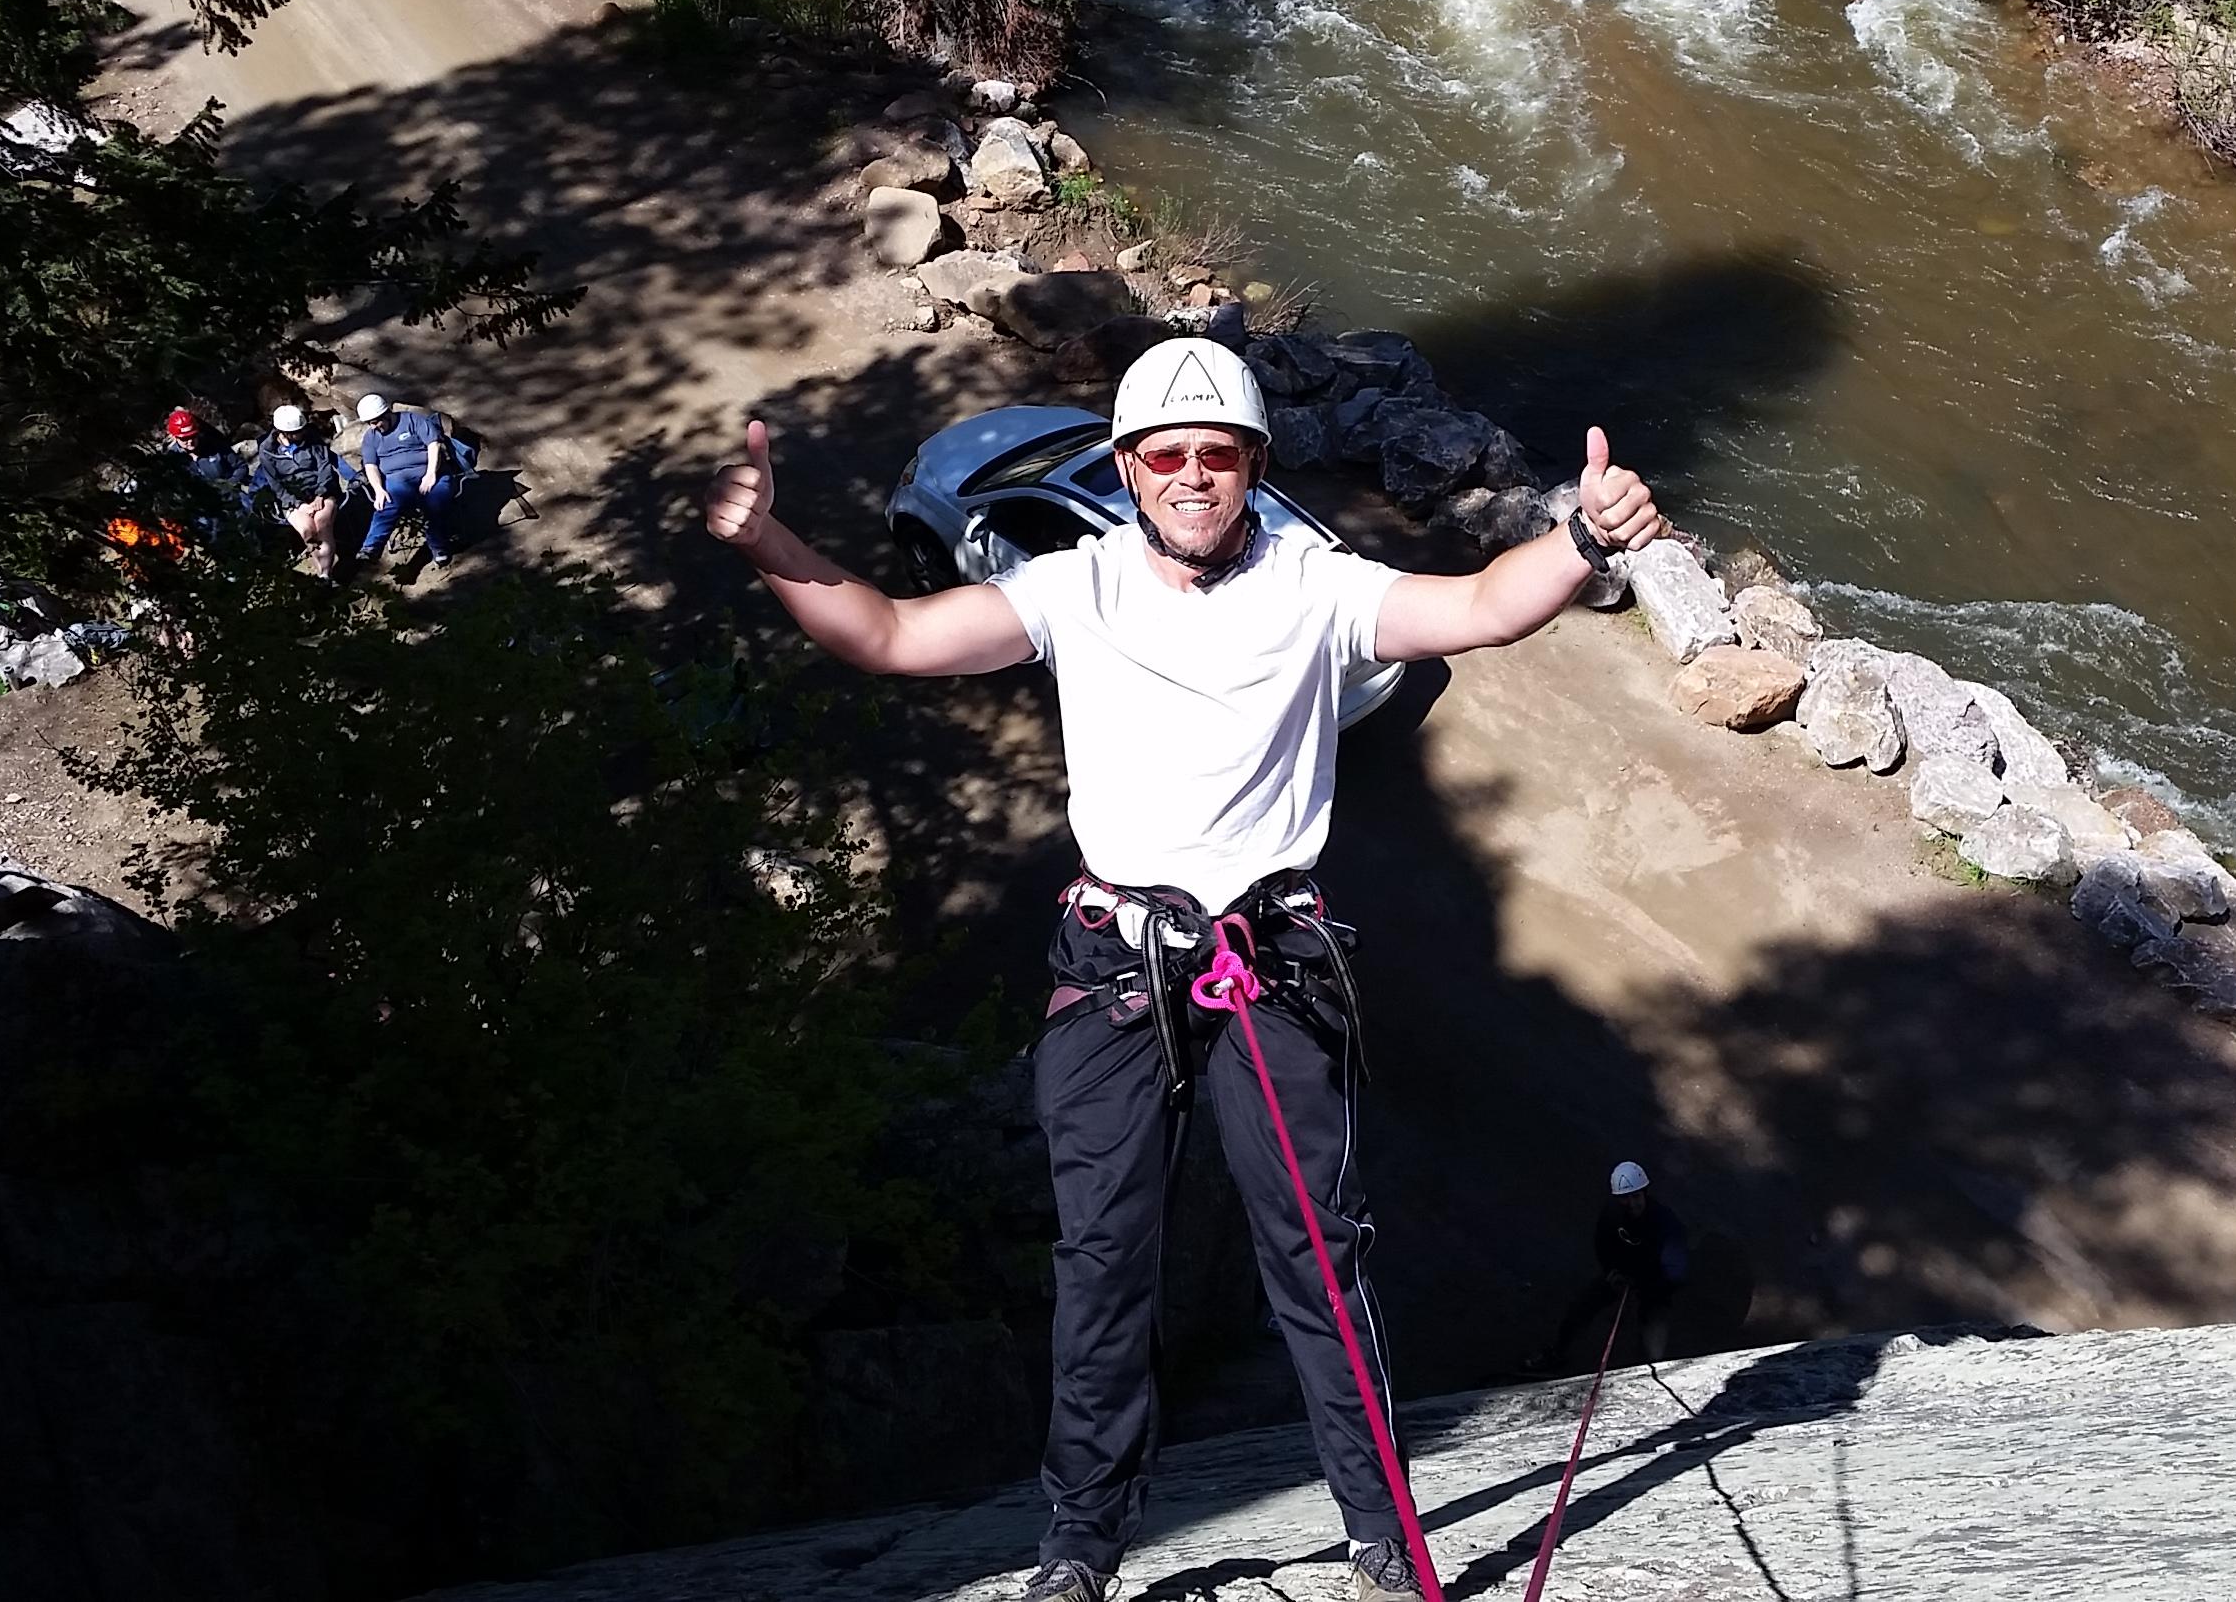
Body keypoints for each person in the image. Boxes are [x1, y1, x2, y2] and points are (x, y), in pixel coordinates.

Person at [701, 338, 1667, 1602]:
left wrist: (1587, 541)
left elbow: (1482, 605)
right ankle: (1079, 1547)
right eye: (1170, 455)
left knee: (1321, 1257)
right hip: (1114, 967)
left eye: (1222, 456)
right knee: (1105, 1266)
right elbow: (885, 635)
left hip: (1269, 963)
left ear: (1255, 468)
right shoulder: (1071, 588)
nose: (1195, 478)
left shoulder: (1316, 587)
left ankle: (1383, 1531)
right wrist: (775, 545)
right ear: (1129, 467)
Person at [1532, 1161, 1689, 1375]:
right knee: (1580, 1309)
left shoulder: (1666, 1224)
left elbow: (1675, 1271)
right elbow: (1602, 1245)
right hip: (1622, 1273)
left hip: (1656, 1282)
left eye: (1636, 1196)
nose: (1632, 1203)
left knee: (1652, 1341)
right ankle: (1558, 1352)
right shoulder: (1611, 1215)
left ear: (1644, 1193)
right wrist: (1611, 1272)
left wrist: (1645, 1284)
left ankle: (1646, 1375)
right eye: (1625, 1198)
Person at [350, 392, 465, 567]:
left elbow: (433, 444)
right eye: (369, 423)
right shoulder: (371, 437)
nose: (373, 426)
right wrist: (378, 489)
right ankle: (371, 548)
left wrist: (431, 473)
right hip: (397, 481)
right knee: (385, 505)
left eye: (375, 422)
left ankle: (438, 546)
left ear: (387, 414)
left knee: (436, 501)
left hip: (430, 473)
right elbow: (370, 465)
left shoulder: (413, 421)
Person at [245, 403, 349, 579]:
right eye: (296, 432)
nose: (301, 434)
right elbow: (275, 483)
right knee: (308, 532)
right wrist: (298, 504)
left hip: (321, 492)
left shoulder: (313, 439)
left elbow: (324, 468)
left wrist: (320, 495)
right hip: (292, 500)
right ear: (282, 433)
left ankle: (325, 574)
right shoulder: (268, 451)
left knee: (322, 524)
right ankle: (324, 573)